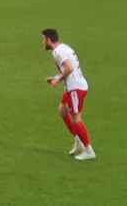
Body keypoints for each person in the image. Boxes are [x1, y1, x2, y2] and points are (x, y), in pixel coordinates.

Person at [42, 28, 96, 161]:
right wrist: (56, 77)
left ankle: (88, 150)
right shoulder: (63, 47)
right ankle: (78, 142)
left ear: (49, 40)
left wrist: (57, 80)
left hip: (75, 88)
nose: (42, 43)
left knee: (76, 118)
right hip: (73, 86)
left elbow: (69, 68)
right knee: (62, 110)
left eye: (43, 39)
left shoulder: (57, 52)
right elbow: (69, 67)